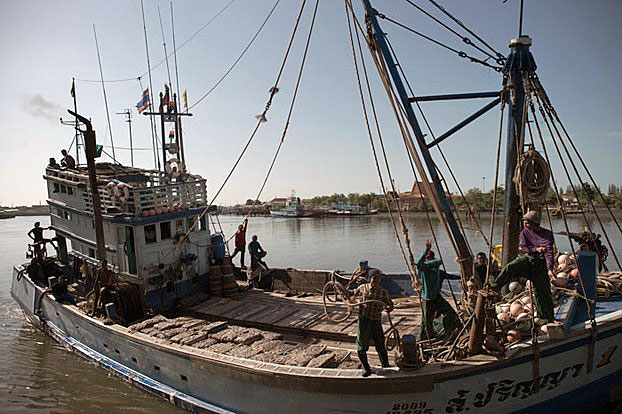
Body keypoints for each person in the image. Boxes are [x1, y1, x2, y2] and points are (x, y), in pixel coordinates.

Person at [491, 211, 555, 321]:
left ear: (535, 223)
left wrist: (550, 269)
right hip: (528, 259)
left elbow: (549, 252)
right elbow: (524, 248)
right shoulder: (525, 232)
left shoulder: (547, 234)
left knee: (541, 292)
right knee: (510, 267)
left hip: (540, 265)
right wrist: (536, 249)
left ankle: (546, 317)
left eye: (528, 223)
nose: (526, 225)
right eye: (525, 222)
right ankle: (495, 287)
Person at [349, 269, 393, 377]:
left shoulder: (383, 292)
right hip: (364, 320)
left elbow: (390, 305)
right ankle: (366, 368)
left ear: (380, 280)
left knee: (381, 344)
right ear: (370, 278)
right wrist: (346, 294)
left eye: (378, 278)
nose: (376, 280)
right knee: (362, 346)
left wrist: (389, 308)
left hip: (376, 321)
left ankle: (385, 365)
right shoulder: (362, 288)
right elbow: (352, 294)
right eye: (374, 278)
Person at [416, 240, 461, 341]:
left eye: (430, 258)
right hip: (427, 299)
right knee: (427, 321)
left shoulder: (438, 271)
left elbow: (451, 275)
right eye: (427, 259)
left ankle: (450, 331)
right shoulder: (424, 270)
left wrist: (462, 276)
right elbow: (419, 264)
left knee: (450, 312)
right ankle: (428, 337)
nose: (429, 260)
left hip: (437, 296)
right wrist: (426, 250)